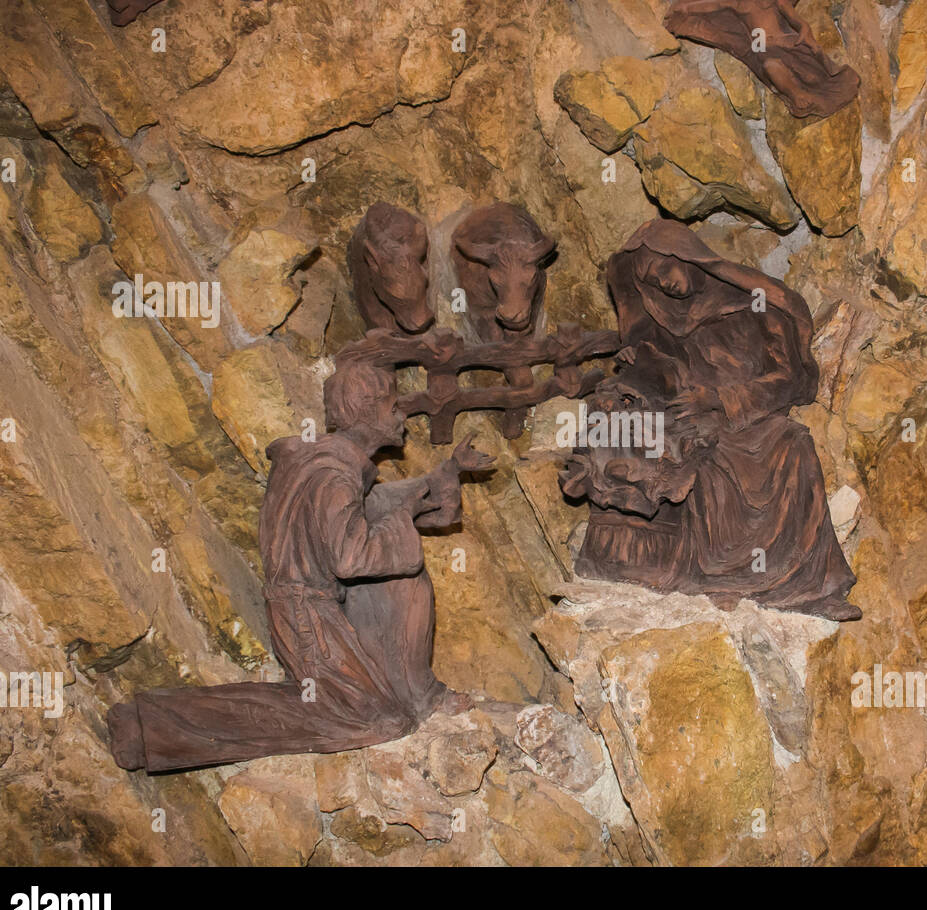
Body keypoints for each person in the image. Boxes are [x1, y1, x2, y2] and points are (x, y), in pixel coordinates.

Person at [107, 362, 491, 772]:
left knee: (369, 710)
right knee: (368, 717)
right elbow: (351, 557)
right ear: (365, 410)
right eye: (394, 407)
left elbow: (372, 509)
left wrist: (445, 473)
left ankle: (153, 725)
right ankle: (153, 728)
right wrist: (404, 517)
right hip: (308, 617)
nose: (402, 417)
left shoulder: (324, 465)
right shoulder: (332, 475)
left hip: (310, 611)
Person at [567, 219, 859, 620]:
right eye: (650, 281)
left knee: (793, 443)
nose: (662, 285)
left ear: (686, 256)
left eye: (663, 270)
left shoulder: (755, 303)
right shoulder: (666, 318)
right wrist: (643, 363)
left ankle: (808, 586)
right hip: (694, 417)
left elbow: (791, 379)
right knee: (663, 443)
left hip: (748, 417)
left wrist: (722, 398)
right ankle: (709, 576)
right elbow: (665, 375)